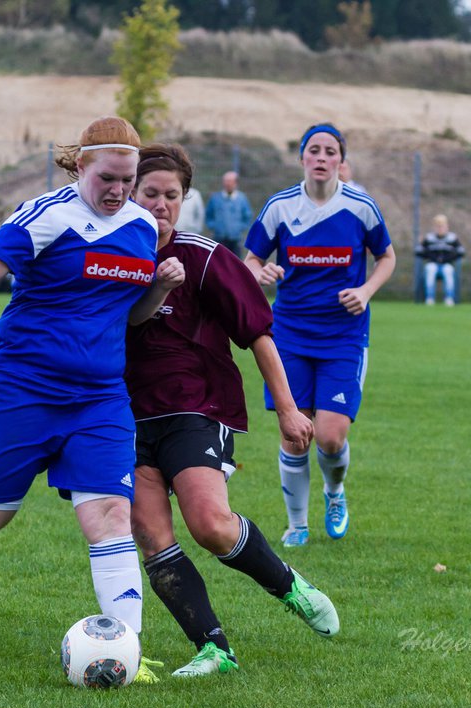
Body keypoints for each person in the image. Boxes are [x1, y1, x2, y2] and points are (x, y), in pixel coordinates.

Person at [0, 117, 181, 684]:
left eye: (128, 179)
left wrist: (160, 289)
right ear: (81, 167)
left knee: (112, 516)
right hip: (21, 388)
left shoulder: (143, 228)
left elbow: (130, 313)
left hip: (99, 399)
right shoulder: (48, 215)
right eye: (109, 178)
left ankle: (127, 653)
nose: (119, 190)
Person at [127, 142, 338, 678]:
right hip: (123, 415)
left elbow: (258, 335)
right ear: (128, 192)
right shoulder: (113, 255)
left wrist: (288, 411)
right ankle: (214, 649)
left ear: (185, 198)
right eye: (149, 192)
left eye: (171, 195)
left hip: (196, 407)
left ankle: (290, 586)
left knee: (212, 526)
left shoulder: (207, 257)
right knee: (152, 536)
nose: (160, 204)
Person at [243, 123, 396, 547]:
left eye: (331, 151)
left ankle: (334, 492)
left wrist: (365, 291)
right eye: (315, 150)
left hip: (344, 337)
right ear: (303, 158)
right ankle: (296, 525)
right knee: (296, 434)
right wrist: (262, 273)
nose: (323, 157)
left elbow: (386, 256)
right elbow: (251, 259)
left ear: (340, 160)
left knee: (329, 435)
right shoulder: (280, 206)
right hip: (289, 333)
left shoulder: (361, 206)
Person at [416, 214, 465, 306]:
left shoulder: (452, 238)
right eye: (438, 226)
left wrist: (448, 258)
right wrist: (430, 256)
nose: (440, 228)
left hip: (447, 264)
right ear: (434, 227)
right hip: (432, 264)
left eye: (442, 226)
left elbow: (461, 251)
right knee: (430, 269)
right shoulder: (429, 238)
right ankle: (429, 298)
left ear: (447, 226)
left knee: (448, 270)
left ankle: (449, 298)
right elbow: (418, 251)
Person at [204, 170, 252, 257]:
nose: (227, 184)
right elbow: (208, 215)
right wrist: (214, 226)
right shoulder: (215, 198)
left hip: (236, 240)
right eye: (226, 181)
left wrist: (239, 228)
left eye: (230, 181)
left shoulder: (242, 199)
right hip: (219, 239)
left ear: (236, 183)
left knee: (236, 265)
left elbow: (247, 216)